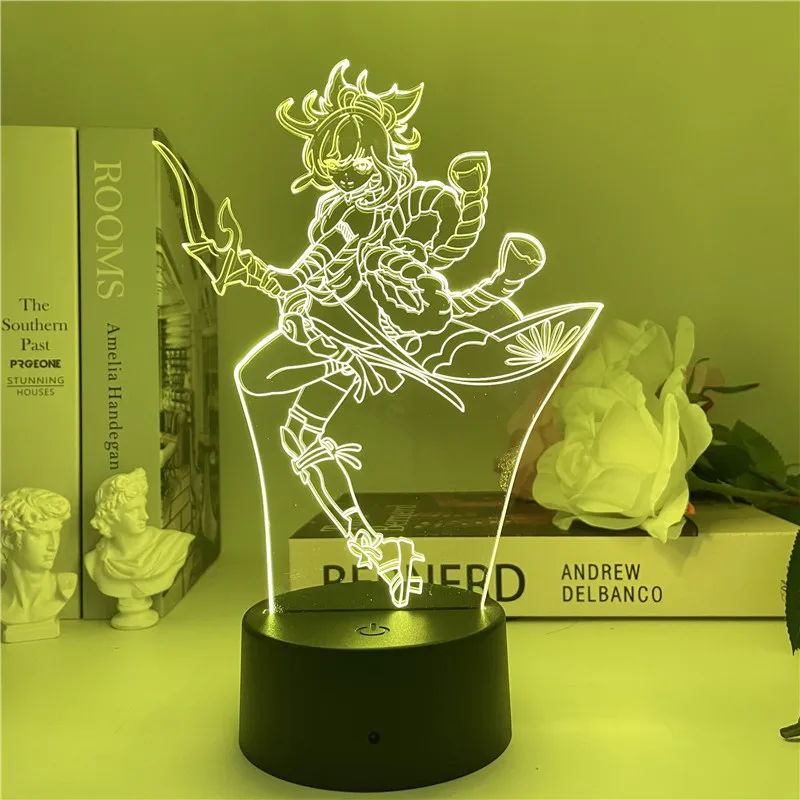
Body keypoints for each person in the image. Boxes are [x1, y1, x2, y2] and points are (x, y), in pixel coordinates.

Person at [155, 60, 602, 608]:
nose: (348, 181)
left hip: (397, 335)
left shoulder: (417, 205)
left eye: (357, 167)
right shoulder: (336, 216)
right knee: (285, 417)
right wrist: (246, 267)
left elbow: (446, 249)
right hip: (336, 336)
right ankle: (372, 546)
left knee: (326, 358)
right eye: (336, 172)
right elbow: (303, 276)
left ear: (386, 154)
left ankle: (389, 537)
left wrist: (473, 205)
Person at [85, 468, 193, 628]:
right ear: (112, 515)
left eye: (143, 507)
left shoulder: (172, 545)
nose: (145, 516)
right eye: (134, 510)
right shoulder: (94, 561)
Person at [1, 488, 77, 640]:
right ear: (10, 540)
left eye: (57, 533)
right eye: (41, 534)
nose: (53, 545)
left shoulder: (64, 588)